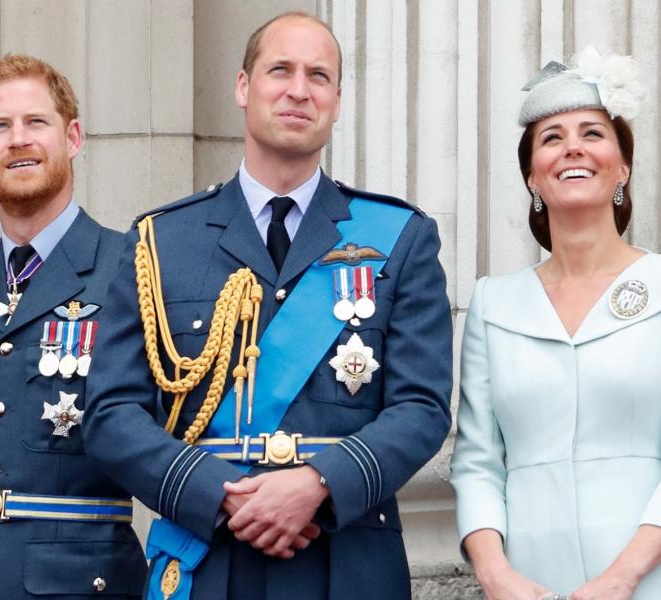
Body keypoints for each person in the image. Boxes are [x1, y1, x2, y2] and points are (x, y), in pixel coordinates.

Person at [84, 11, 452, 599]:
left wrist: (318, 484)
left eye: (319, 76)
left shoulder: (399, 237)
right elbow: (111, 413)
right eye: (280, 69)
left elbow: (423, 407)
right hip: (209, 559)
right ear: (243, 86)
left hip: (345, 558)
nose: (298, 90)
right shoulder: (161, 240)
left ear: (336, 100)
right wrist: (219, 495)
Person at [0, 54, 146, 598]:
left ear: (72, 137)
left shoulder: (134, 271)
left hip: (81, 583)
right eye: (0, 126)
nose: (18, 139)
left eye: (35, 122)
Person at [451, 47, 661, 600]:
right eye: (551, 137)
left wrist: (623, 579)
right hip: (528, 585)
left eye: (592, 133)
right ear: (532, 178)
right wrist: (498, 578)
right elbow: (476, 463)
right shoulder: (494, 304)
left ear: (622, 167)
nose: (572, 147)